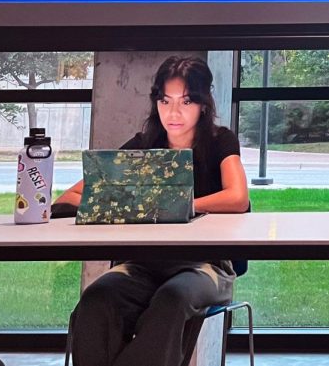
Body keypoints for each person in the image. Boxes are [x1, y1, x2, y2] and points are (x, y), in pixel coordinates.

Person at [55, 56, 250, 366]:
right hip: (142, 266)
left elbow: (238, 197)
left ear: (203, 104)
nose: (173, 112)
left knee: (172, 299)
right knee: (96, 300)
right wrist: (116, 201)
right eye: (165, 100)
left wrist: (177, 205)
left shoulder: (219, 142)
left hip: (205, 266)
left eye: (186, 101)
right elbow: (70, 195)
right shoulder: (143, 146)